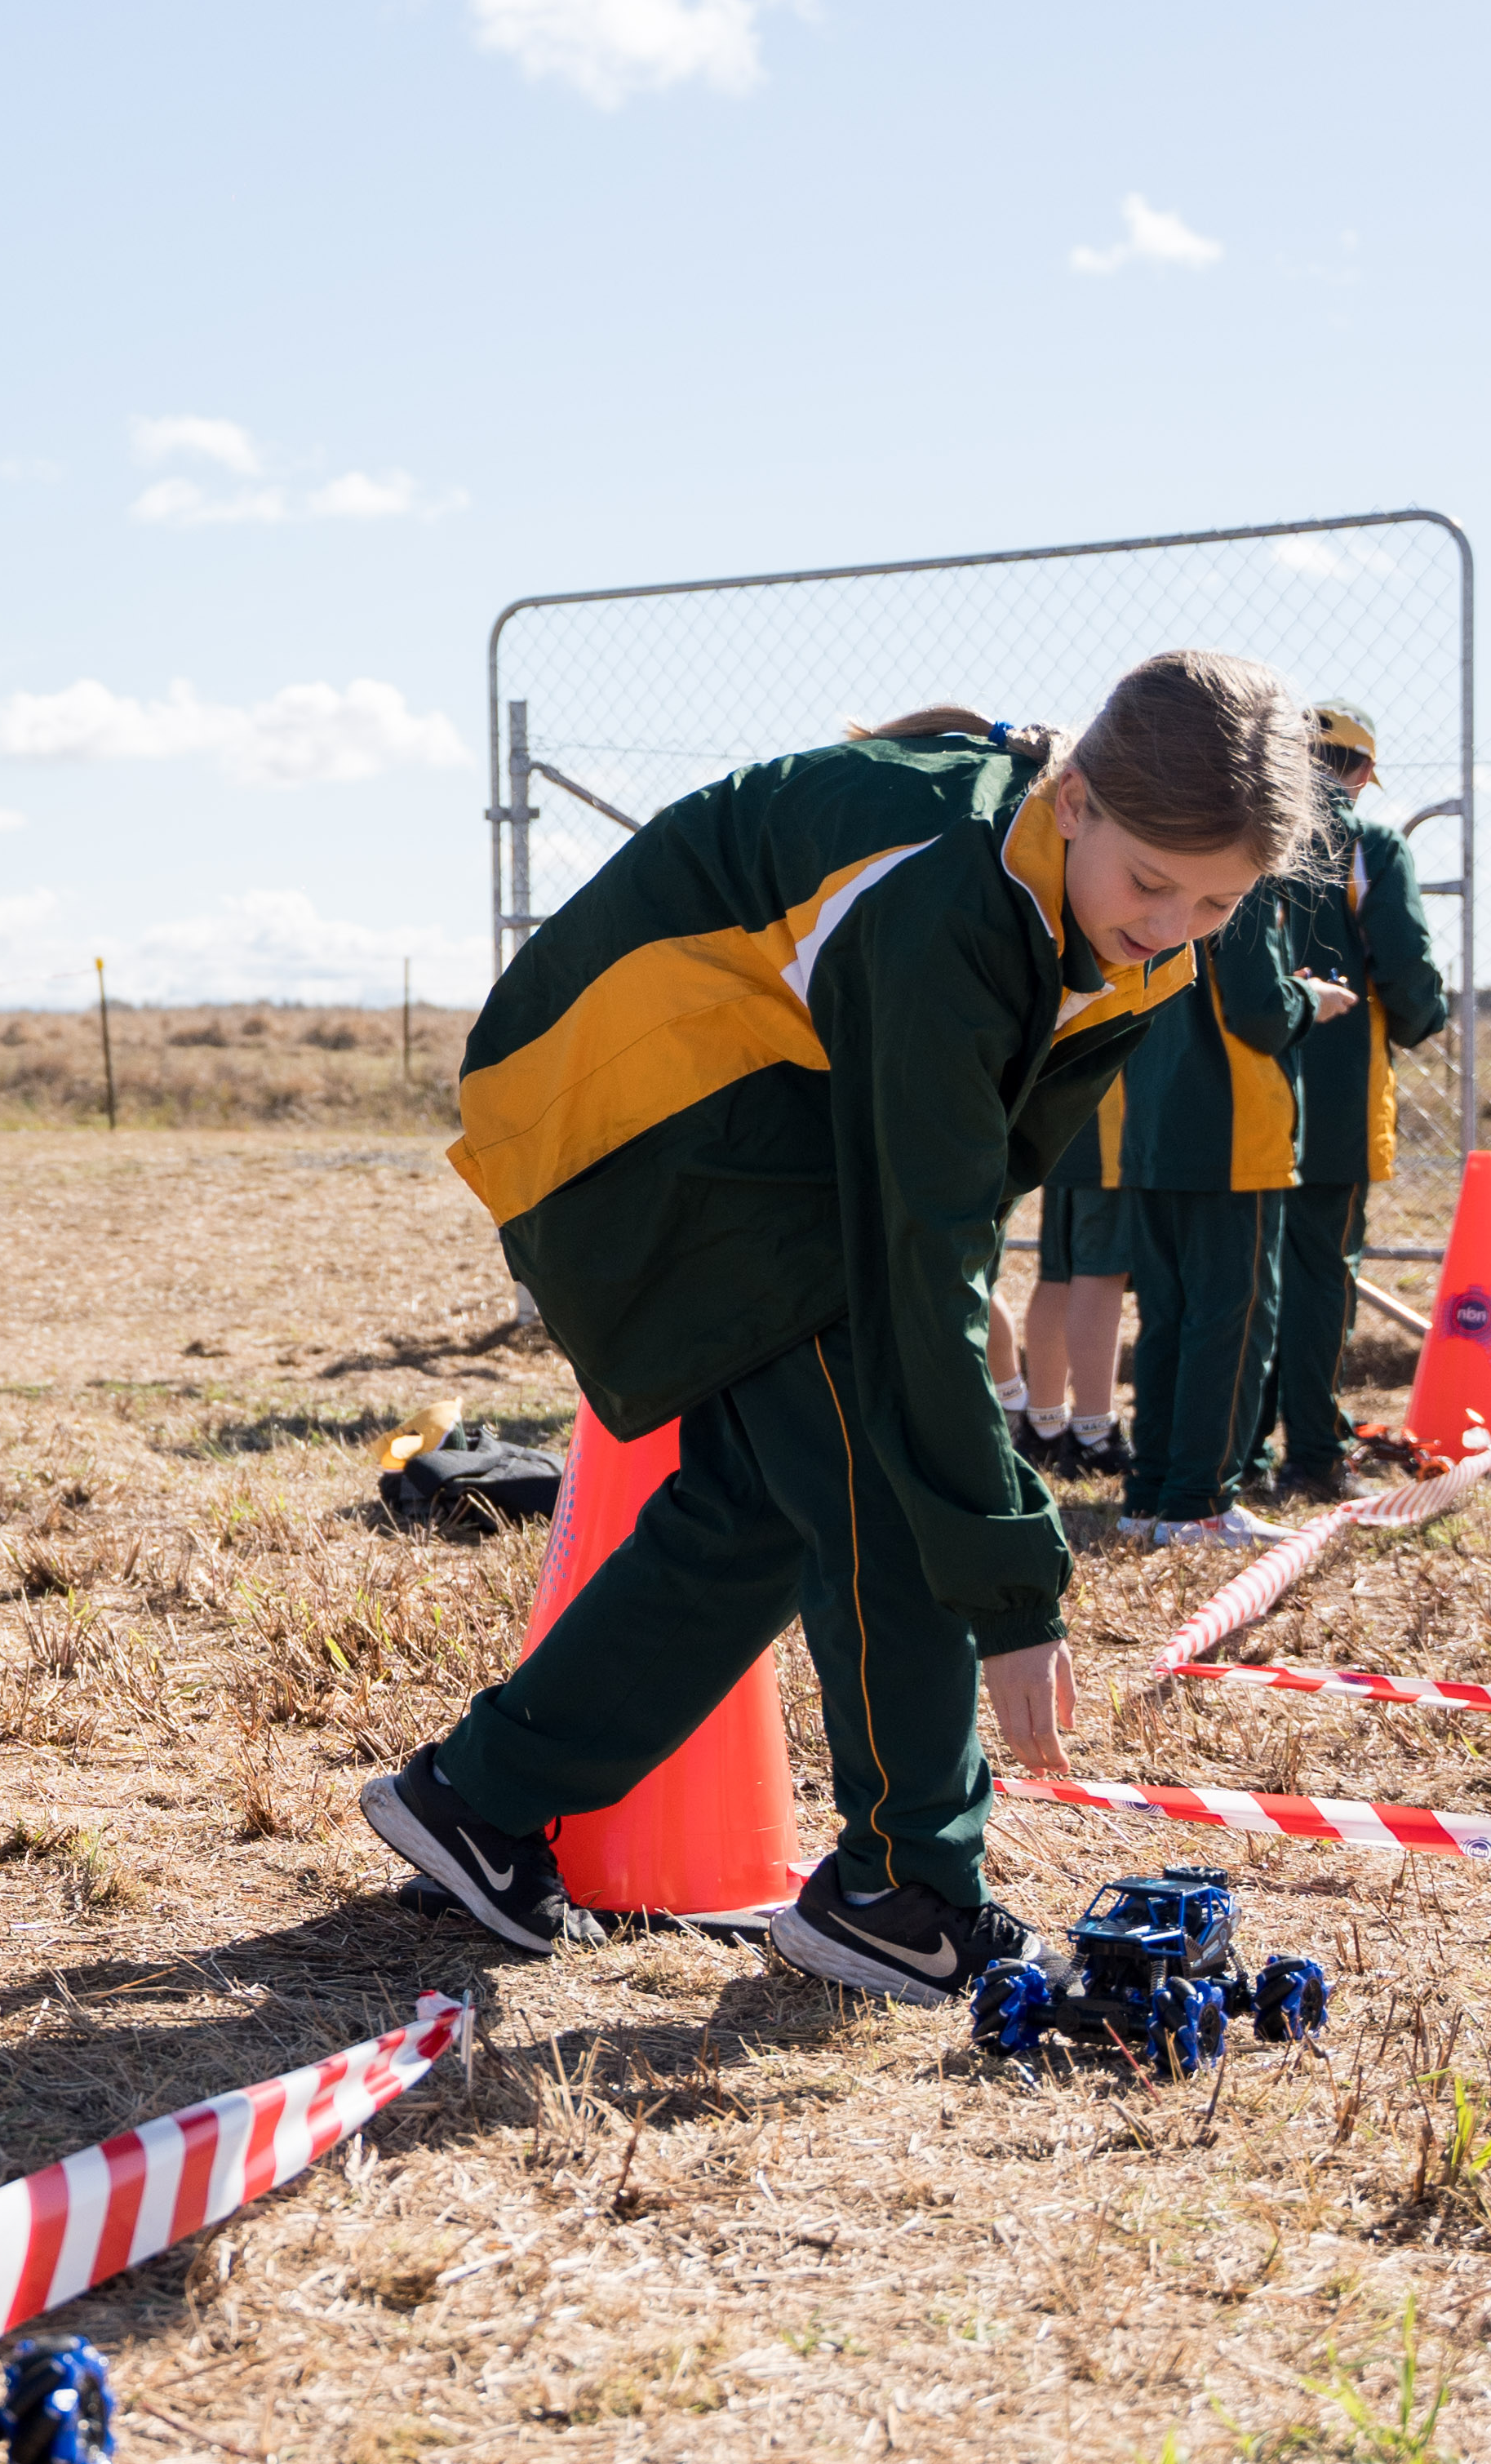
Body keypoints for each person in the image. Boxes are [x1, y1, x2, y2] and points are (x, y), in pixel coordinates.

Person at [361, 652, 1323, 2000]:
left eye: (1217, 900)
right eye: (1151, 881)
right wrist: (1012, 1588)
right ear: (1077, 802)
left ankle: (480, 1795)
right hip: (643, 1116)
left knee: (764, 1500)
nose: (1170, 921)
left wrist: (948, 1249)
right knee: (883, 1464)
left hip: (770, 1115)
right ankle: (901, 1889)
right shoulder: (947, 903)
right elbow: (908, 1275)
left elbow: (959, 1160)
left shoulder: (1113, 919)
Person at [1109, 823, 1358, 1549]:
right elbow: (1258, 1011)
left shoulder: (1152, 878)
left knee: (1166, 1318)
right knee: (1233, 1318)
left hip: (1153, 1129)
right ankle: (1199, 1504)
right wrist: (1309, 998)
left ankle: (1149, 1494)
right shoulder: (1237, 890)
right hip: (1231, 1135)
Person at [1246, 704, 1454, 1501]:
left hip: (1235, 1087)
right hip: (1333, 1092)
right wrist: (1418, 1020)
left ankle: (1236, 1452)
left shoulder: (1244, 832)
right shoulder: (1369, 844)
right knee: (1321, 1272)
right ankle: (1313, 1452)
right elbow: (1405, 972)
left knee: (1241, 1268)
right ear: (1361, 773)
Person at [1014, 1079, 1133, 1479]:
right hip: (1109, 1116)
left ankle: (1044, 1425)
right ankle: (1093, 1433)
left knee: (1059, 1274)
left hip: (1067, 1113)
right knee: (1099, 1276)